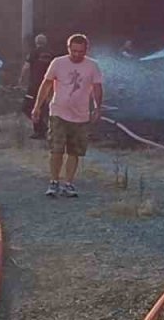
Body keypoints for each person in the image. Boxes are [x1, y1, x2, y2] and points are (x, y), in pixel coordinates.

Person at [32, 33, 103, 198]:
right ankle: (54, 182)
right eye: (74, 51)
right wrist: (37, 106)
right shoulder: (58, 62)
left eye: (81, 51)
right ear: (68, 48)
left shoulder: (93, 66)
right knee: (56, 149)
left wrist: (97, 108)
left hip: (81, 115)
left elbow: (97, 87)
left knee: (74, 151)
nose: (77, 54)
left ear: (86, 50)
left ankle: (68, 183)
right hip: (58, 112)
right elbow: (46, 84)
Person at [19, 34, 54, 139]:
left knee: (27, 107)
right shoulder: (51, 54)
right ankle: (43, 129)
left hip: (35, 85)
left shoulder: (33, 53)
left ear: (36, 42)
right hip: (48, 84)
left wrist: (21, 78)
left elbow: (26, 67)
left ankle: (40, 129)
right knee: (43, 107)